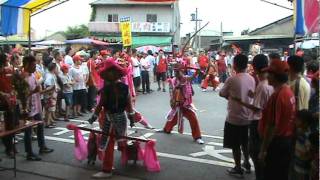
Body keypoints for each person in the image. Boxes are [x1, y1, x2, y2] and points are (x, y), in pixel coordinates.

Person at [88, 60, 135, 178]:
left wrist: (93, 117)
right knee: (120, 140)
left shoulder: (107, 89)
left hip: (110, 119)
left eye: (108, 73)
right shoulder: (125, 88)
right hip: (121, 118)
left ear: (113, 74)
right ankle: (129, 155)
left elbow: (100, 106)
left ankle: (107, 170)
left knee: (109, 142)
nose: (106, 76)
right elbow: (129, 106)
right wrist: (131, 118)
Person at [232, 54, 273, 180]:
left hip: (258, 122)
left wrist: (240, 102)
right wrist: (253, 95)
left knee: (255, 151)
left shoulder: (262, 85)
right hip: (266, 122)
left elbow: (257, 108)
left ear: (254, 68)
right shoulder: (269, 83)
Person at [258, 60, 296, 180]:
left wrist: (263, 150)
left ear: (275, 76)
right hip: (286, 141)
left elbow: (272, 125)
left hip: (276, 143)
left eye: (269, 73)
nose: (267, 76)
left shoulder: (278, 95)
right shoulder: (288, 91)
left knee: (272, 174)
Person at [219, 54, 255, 178]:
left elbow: (222, 93)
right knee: (245, 142)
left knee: (235, 145)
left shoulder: (232, 79)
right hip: (248, 117)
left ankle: (238, 168)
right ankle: (247, 164)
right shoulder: (251, 79)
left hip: (234, 118)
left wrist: (230, 96)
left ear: (234, 65)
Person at [163, 63, 204, 144]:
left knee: (193, 119)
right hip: (177, 103)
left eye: (178, 71)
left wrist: (197, 71)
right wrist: (172, 101)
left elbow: (193, 76)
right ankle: (166, 129)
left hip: (186, 104)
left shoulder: (186, 78)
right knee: (173, 118)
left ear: (182, 71)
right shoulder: (174, 80)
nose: (176, 73)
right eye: (175, 72)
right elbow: (172, 91)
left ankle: (197, 137)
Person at [23, 55, 54, 160]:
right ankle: (29, 153)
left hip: (36, 106)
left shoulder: (32, 75)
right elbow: (23, 95)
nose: (35, 67)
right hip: (27, 108)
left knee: (40, 126)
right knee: (28, 130)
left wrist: (47, 90)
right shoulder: (23, 77)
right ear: (27, 65)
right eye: (33, 65)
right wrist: (34, 91)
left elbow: (38, 91)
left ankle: (42, 146)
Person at [293, 110, 314, 180]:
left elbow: (311, 153)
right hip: (297, 165)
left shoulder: (307, 137)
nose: (295, 120)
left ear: (305, 123)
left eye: (298, 119)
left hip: (303, 169)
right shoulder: (299, 131)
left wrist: (305, 156)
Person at [43, 63, 59, 128]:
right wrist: (51, 92)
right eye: (56, 68)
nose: (57, 69)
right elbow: (48, 85)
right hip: (50, 95)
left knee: (50, 109)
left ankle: (48, 122)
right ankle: (47, 123)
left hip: (52, 95)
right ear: (54, 68)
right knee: (49, 110)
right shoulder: (49, 76)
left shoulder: (52, 75)